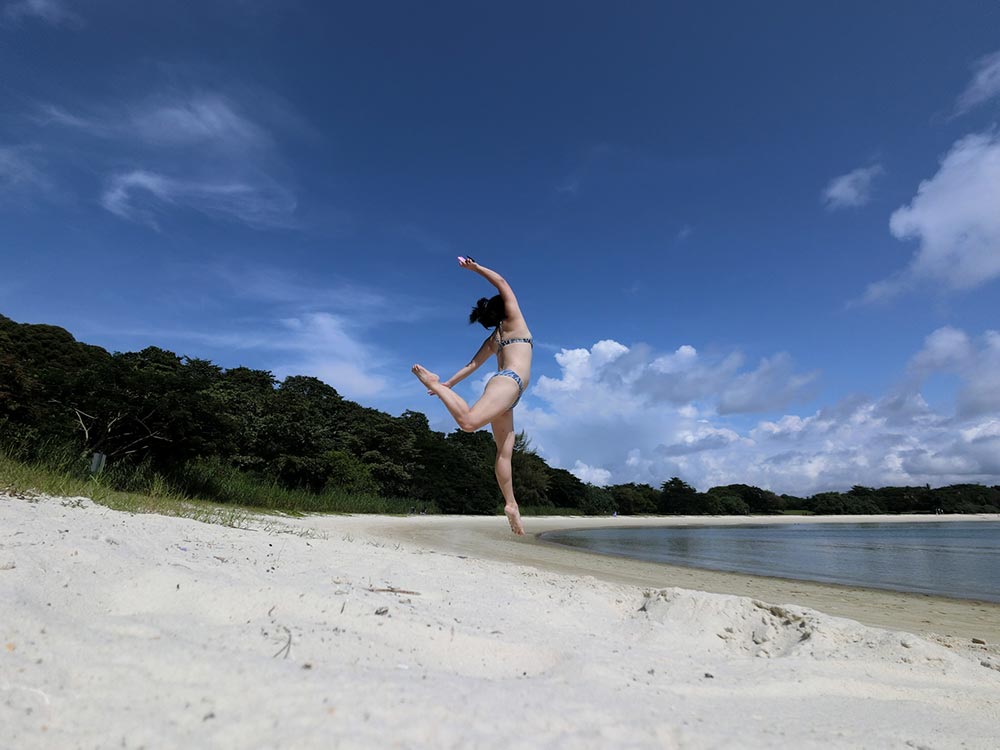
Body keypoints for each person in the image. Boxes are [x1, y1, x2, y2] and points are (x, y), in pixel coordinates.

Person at [411, 256, 533, 535]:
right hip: (508, 384)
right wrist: (476, 268)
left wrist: (451, 383)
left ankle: (511, 504)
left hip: (511, 396)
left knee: (504, 454)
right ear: (506, 308)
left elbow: (471, 366)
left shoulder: (494, 339)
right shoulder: (515, 323)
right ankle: (435, 384)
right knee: (468, 424)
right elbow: (502, 282)